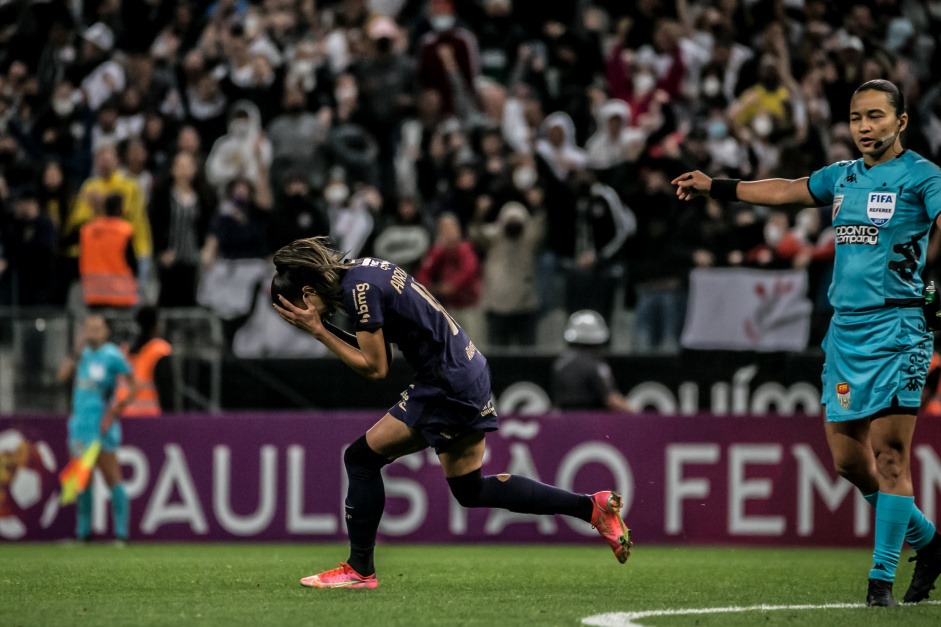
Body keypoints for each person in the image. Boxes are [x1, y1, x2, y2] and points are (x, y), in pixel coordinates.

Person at [672, 79, 941, 607]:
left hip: (898, 328)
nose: (864, 127)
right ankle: (931, 544)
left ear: (901, 122)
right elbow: (786, 188)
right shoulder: (841, 177)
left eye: (876, 117)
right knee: (847, 462)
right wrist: (717, 186)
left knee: (890, 457)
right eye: (857, 118)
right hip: (845, 332)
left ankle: (880, 583)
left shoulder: (922, 176)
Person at [271, 236, 632, 589]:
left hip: (445, 382)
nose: (302, 318)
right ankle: (592, 508)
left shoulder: (358, 292)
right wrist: (324, 327)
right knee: (470, 489)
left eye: (296, 311)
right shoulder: (364, 271)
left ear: (306, 295)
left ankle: (360, 569)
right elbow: (380, 349)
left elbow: (375, 367)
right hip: (466, 370)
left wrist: (319, 331)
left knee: (361, 459)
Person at [57, 314, 137, 543]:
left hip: (101, 426)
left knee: (112, 476)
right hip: (80, 425)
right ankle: (83, 534)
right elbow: (61, 377)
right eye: (88, 327)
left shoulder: (112, 355)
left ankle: (122, 534)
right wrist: (74, 352)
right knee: (82, 479)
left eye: (96, 328)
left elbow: (132, 384)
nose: (91, 332)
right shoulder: (81, 354)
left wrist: (117, 408)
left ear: (105, 331)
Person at [552, 310, 633, 412]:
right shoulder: (596, 365)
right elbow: (611, 399)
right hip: (591, 423)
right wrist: (638, 415)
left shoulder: (560, 363)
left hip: (564, 423)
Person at [116, 306, 172, 418]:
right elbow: (167, 391)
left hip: (123, 416)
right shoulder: (159, 350)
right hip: (150, 419)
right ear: (156, 325)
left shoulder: (123, 353)